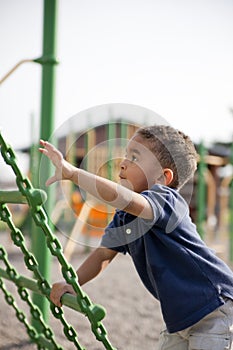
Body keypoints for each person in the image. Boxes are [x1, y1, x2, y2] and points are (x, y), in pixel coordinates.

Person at [39, 125, 233, 350]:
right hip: (180, 317)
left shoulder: (165, 200)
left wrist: (73, 173)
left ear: (163, 177)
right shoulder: (125, 218)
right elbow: (104, 253)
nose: (123, 163)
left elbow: (122, 198)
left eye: (134, 157)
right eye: (125, 155)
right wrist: (73, 282)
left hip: (214, 306)